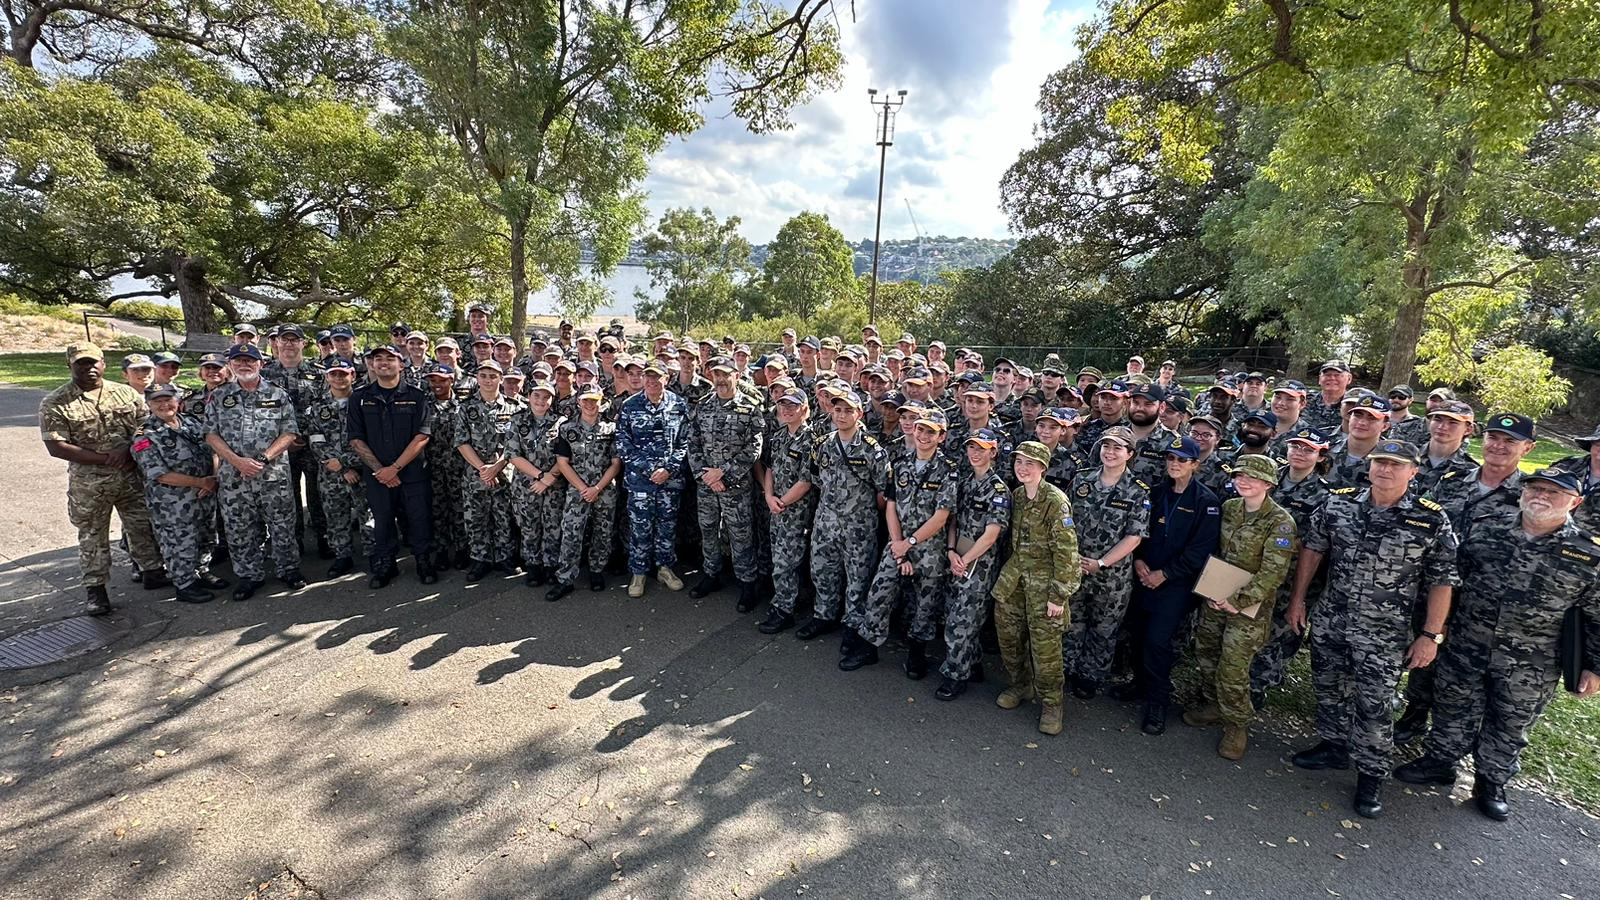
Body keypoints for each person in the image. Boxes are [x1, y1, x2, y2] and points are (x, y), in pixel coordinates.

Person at [1395, 468, 1600, 821]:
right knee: (1454, 704)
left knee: (1510, 721)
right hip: (1467, 642)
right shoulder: (1486, 532)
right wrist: (1435, 632)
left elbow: (1597, 616)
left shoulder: (1587, 554)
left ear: (1576, 502)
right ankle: (1440, 761)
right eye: (1535, 488)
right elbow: (1450, 584)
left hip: (1533, 658)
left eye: (1553, 492)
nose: (1541, 496)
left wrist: (1594, 667)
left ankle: (1491, 782)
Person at [1286, 439, 1458, 819]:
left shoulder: (1430, 519)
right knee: (1329, 686)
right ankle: (1333, 746)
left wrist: (1430, 635)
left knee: (1374, 703)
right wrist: (1298, 600)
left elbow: (1442, 580)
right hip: (1334, 617)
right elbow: (1313, 550)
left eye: (1396, 465)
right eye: (1380, 462)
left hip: (1384, 631)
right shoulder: (1340, 502)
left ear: (1413, 472)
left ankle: (1372, 773)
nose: (1384, 469)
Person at [39, 343, 167, 614]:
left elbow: (146, 427)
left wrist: (128, 450)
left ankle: (152, 571)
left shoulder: (125, 394)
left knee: (142, 525)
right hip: (90, 483)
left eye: (94, 362)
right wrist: (105, 458)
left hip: (131, 475)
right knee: (92, 535)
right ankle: (96, 589)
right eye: (81, 363)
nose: (89, 368)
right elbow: (56, 446)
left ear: (104, 363)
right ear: (70, 366)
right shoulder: (55, 402)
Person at [1185, 454, 1296, 759]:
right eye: (1239, 475)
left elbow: (1273, 573)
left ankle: (1236, 723)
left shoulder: (1281, 523)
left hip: (1249, 607)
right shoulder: (1229, 509)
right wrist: (1211, 590)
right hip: (1216, 594)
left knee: (1233, 665)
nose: (1243, 481)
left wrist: (1237, 601)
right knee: (1206, 650)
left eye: (1252, 477)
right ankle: (1213, 704)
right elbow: (1216, 551)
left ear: (1269, 484)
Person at [1119, 436, 1222, 733]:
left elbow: (1201, 550)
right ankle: (1139, 685)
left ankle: (1157, 702)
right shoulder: (1155, 492)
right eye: (1170, 459)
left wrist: (1165, 574)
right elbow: (1137, 529)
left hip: (1176, 584)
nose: (1174, 464)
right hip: (1143, 575)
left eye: (1181, 460)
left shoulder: (1206, 501)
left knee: (1157, 642)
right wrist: (1138, 560)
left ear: (1195, 464)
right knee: (1137, 635)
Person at [846, 408, 958, 673]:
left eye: (931, 431)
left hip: (929, 551)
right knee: (879, 593)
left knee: (925, 604)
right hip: (897, 545)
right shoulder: (901, 464)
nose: (923, 435)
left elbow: (941, 517)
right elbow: (891, 506)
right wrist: (898, 550)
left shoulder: (949, 471)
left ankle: (917, 653)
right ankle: (869, 646)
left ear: (941, 437)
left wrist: (908, 544)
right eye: (920, 429)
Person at [992, 440, 1081, 736]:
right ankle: (1020, 685)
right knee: (1008, 637)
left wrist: (1059, 596)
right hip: (1014, 580)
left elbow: (1067, 553)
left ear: (1043, 468)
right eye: (1019, 462)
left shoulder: (1056, 501)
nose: (1023, 468)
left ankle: (1052, 703)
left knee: (1046, 651)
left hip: (1045, 586)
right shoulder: (1016, 496)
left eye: (1030, 463)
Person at [205, 343, 307, 599]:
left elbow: (290, 432)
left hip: (273, 476)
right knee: (240, 528)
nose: (244, 365)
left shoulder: (278, 394)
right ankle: (249, 575)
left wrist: (263, 459)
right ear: (231, 365)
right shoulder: (219, 396)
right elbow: (210, 434)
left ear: (260, 363)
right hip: (235, 477)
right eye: (238, 361)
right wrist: (237, 461)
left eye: (249, 360)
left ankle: (288, 569)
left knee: (283, 524)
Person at [1064, 426, 1151, 699]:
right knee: (1072, 622)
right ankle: (1067, 668)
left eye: (1117, 448)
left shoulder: (1137, 490)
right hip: (1075, 566)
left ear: (1129, 454)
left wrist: (1101, 563)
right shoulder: (1081, 480)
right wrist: (1070, 555)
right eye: (1106, 446)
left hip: (1111, 575)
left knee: (1103, 630)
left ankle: (1090, 677)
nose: (1110, 452)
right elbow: (1065, 520)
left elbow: (1134, 537)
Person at [1249, 428, 1333, 707]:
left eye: (1308, 449)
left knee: (1280, 631)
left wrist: (1274, 540)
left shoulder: (1325, 495)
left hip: (1292, 576)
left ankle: (1259, 685)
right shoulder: (1267, 479)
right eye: (1295, 446)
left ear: (1321, 456)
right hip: (1255, 567)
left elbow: (1313, 543)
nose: (1299, 452)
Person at [798, 391, 890, 641]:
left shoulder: (873, 450)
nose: (842, 415)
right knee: (822, 571)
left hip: (858, 527)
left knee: (858, 577)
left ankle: (853, 624)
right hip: (826, 523)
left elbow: (884, 492)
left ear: (859, 414)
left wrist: (862, 514)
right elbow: (816, 479)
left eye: (848, 410)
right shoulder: (822, 444)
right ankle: (823, 615)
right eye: (838, 410)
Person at [346, 345, 435, 587]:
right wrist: (380, 470)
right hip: (377, 475)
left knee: (419, 519)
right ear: (371, 365)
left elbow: (422, 436)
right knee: (383, 520)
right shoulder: (360, 398)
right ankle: (386, 563)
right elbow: (355, 438)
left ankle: (423, 561)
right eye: (378, 359)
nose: (383, 362)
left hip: (413, 473)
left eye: (390, 358)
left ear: (401, 364)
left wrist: (394, 468)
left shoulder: (417, 396)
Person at [130, 383, 226, 604]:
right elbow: (159, 474)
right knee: (178, 543)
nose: (164, 404)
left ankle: (201, 571)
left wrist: (212, 478)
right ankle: (184, 584)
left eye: (168, 399)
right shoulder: (145, 435)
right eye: (157, 401)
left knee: (206, 537)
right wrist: (200, 481)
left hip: (204, 494)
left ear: (178, 400)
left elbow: (213, 450)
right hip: (172, 503)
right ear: (149, 404)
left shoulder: (191, 422)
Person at [936, 427, 1012, 699]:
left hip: (979, 566)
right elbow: (953, 520)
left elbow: (992, 534)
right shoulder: (965, 482)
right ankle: (972, 663)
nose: (975, 453)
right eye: (971, 447)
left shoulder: (999, 490)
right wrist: (951, 550)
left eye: (981, 448)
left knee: (962, 621)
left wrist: (965, 559)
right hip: (958, 558)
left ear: (993, 452)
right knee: (956, 614)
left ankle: (954, 676)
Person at [686, 357, 763, 607]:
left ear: (736, 376)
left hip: (736, 486)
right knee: (708, 530)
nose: (720, 379)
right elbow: (693, 442)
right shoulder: (703, 405)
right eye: (716, 374)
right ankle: (711, 574)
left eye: (725, 374)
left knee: (740, 534)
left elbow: (755, 446)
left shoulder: (750, 407)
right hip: (707, 485)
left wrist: (725, 474)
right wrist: (705, 475)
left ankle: (747, 582)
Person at [617, 361, 692, 598]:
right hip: (641, 481)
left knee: (667, 525)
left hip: (670, 480)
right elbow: (623, 442)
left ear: (666, 379)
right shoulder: (630, 405)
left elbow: (684, 442)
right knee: (640, 527)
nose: (650, 381)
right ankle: (638, 572)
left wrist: (668, 469)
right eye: (646, 376)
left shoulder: (678, 405)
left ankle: (665, 568)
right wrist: (650, 469)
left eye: (655, 377)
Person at [548, 388, 622, 600]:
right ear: (579, 402)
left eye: (595, 401)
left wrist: (597, 488)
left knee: (603, 532)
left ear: (602, 402)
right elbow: (562, 463)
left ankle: (597, 571)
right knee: (571, 533)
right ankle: (565, 579)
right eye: (586, 400)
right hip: (577, 490)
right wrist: (583, 488)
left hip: (605, 489)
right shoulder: (567, 428)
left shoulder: (611, 428)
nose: (590, 405)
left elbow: (616, 463)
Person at [757, 388, 820, 634]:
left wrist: (780, 501)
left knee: (787, 562)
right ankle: (783, 600)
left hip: (796, 511)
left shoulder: (812, 439)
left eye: (792, 405)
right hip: (777, 508)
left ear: (804, 409)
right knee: (779, 558)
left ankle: (784, 609)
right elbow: (770, 468)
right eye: (783, 405)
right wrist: (769, 495)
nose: (786, 409)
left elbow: (806, 481)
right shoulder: (780, 435)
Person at [263, 324, 329, 558]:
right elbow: (262, 414)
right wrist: (284, 441)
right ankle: (295, 540)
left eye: (294, 339)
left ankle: (324, 538)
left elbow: (324, 408)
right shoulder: (264, 374)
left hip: (312, 445)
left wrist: (306, 436)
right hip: (280, 448)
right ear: (276, 343)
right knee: (286, 497)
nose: (289, 344)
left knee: (317, 493)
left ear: (303, 343)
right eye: (285, 339)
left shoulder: (318, 372)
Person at [302, 358, 371, 578]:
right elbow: (316, 441)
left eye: (343, 374)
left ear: (353, 375)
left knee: (368, 515)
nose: (339, 378)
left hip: (363, 471)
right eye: (334, 374)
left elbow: (372, 440)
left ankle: (374, 554)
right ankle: (343, 556)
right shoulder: (317, 407)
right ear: (327, 377)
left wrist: (347, 463)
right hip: (331, 474)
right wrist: (341, 468)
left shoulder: (365, 403)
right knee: (336, 515)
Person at [455, 359, 519, 582]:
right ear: (477, 379)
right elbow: (462, 442)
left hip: (504, 474)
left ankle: (505, 558)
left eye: (493, 376)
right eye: (483, 376)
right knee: (476, 518)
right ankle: (479, 559)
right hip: (476, 475)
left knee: (504, 517)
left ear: (501, 379)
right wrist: (483, 469)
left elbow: (515, 444)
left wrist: (497, 466)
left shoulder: (514, 407)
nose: (488, 380)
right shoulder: (465, 407)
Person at [506, 381, 566, 587]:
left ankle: (550, 566)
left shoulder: (561, 422)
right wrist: (541, 476)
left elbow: (566, 455)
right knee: (529, 527)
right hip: (527, 485)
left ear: (552, 399)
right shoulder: (517, 421)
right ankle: (533, 566)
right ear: (529, 396)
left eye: (546, 397)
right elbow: (513, 455)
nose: (541, 400)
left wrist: (550, 477)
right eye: (537, 396)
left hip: (554, 485)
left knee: (553, 527)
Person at [421, 364, 466, 570]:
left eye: (442, 380)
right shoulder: (423, 405)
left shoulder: (463, 406)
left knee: (459, 507)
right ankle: (441, 549)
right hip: (432, 467)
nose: (437, 384)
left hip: (458, 467)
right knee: (437, 509)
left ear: (452, 381)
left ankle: (461, 549)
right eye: (433, 380)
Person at [1551, 424, 1600, 532]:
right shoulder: (1565, 467)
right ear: (1591, 444)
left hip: (1592, 546)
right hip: (1548, 538)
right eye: (1598, 444)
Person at [1303, 360, 1353, 432]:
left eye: (1337, 375)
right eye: (1327, 375)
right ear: (1320, 379)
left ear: (1349, 379)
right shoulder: (1305, 400)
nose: (1332, 378)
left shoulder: (1354, 406)